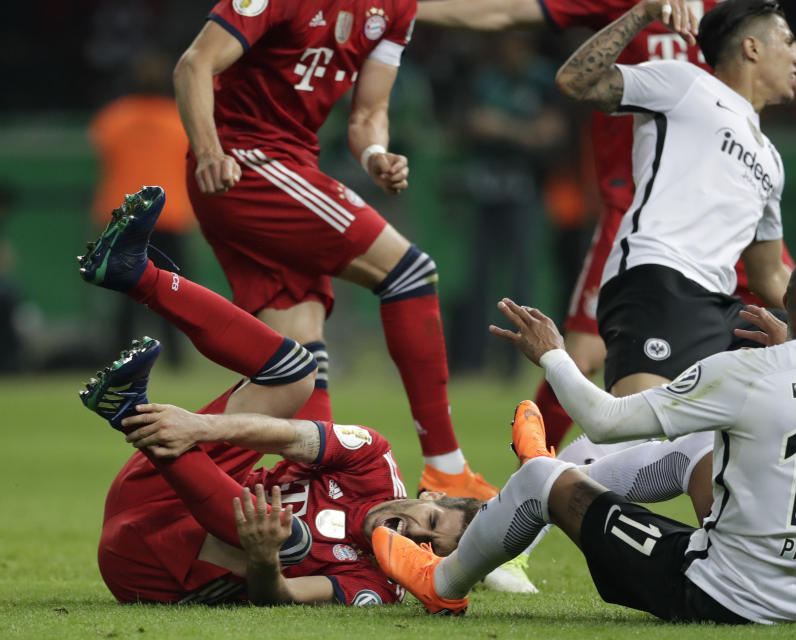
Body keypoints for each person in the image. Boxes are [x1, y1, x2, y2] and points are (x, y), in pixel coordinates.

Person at [417, 0, 796, 450]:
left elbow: (773, 278)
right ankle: (529, 485)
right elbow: (572, 78)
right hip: (658, 274)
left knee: (726, 436)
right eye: (788, 45)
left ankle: (724, 544)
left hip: (718, 302)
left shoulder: (770, 160)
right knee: (624, 435)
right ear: (753, 48)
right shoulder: (684, 83)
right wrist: (642, 11)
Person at [373, 249, 796, 623]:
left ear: (789, 299)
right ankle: (551, 482)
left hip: (726, 596)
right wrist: (795, 348)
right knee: (699, 447)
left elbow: (605, 420)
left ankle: (441, 586)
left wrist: (553, 354)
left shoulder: (749, 372)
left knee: (537, 478)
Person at [79, 186, 482, 605]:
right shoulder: (372, 460)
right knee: (295, 373)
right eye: (431, 521)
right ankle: (135, 275)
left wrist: (265, 559)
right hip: (160, 489)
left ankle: (133, 414)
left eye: (431, 548)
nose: (417, 534)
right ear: (429, 497)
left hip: (146, 567)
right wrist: (198, 426)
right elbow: (286, 436)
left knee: (289, 540)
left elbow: (283, 597)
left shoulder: (380, 586)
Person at [173, 0, 496, 499]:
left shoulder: (394, 8)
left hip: (289, 163)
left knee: (296, 362)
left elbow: (369, 113)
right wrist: (211, 151)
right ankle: (447, 472)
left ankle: (265, 494)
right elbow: (193, 63)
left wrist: (374, 154)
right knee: (410, 272)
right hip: (247, 161)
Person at [89, 51, 195, 367]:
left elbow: (102, 154)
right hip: (170, 214)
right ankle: (176, 359)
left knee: (125, 293)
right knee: (173, 293)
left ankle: (121, 357)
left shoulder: (112, 118)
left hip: (123, 217)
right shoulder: (180, 120)